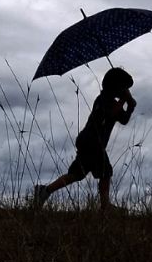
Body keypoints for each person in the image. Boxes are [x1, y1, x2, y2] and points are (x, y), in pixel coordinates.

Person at [31, 67, 136, 212]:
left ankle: (46, 190)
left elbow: (123, 119)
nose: (125, 91)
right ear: (116, 87)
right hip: (93, 143)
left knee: (77, 174)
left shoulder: (111, 101)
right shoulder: (104, 100)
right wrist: (125, 100)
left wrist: (130, 106)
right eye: (123, 88)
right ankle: (105, 206)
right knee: (106, 172)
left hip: (89, 143)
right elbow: (111, 113)